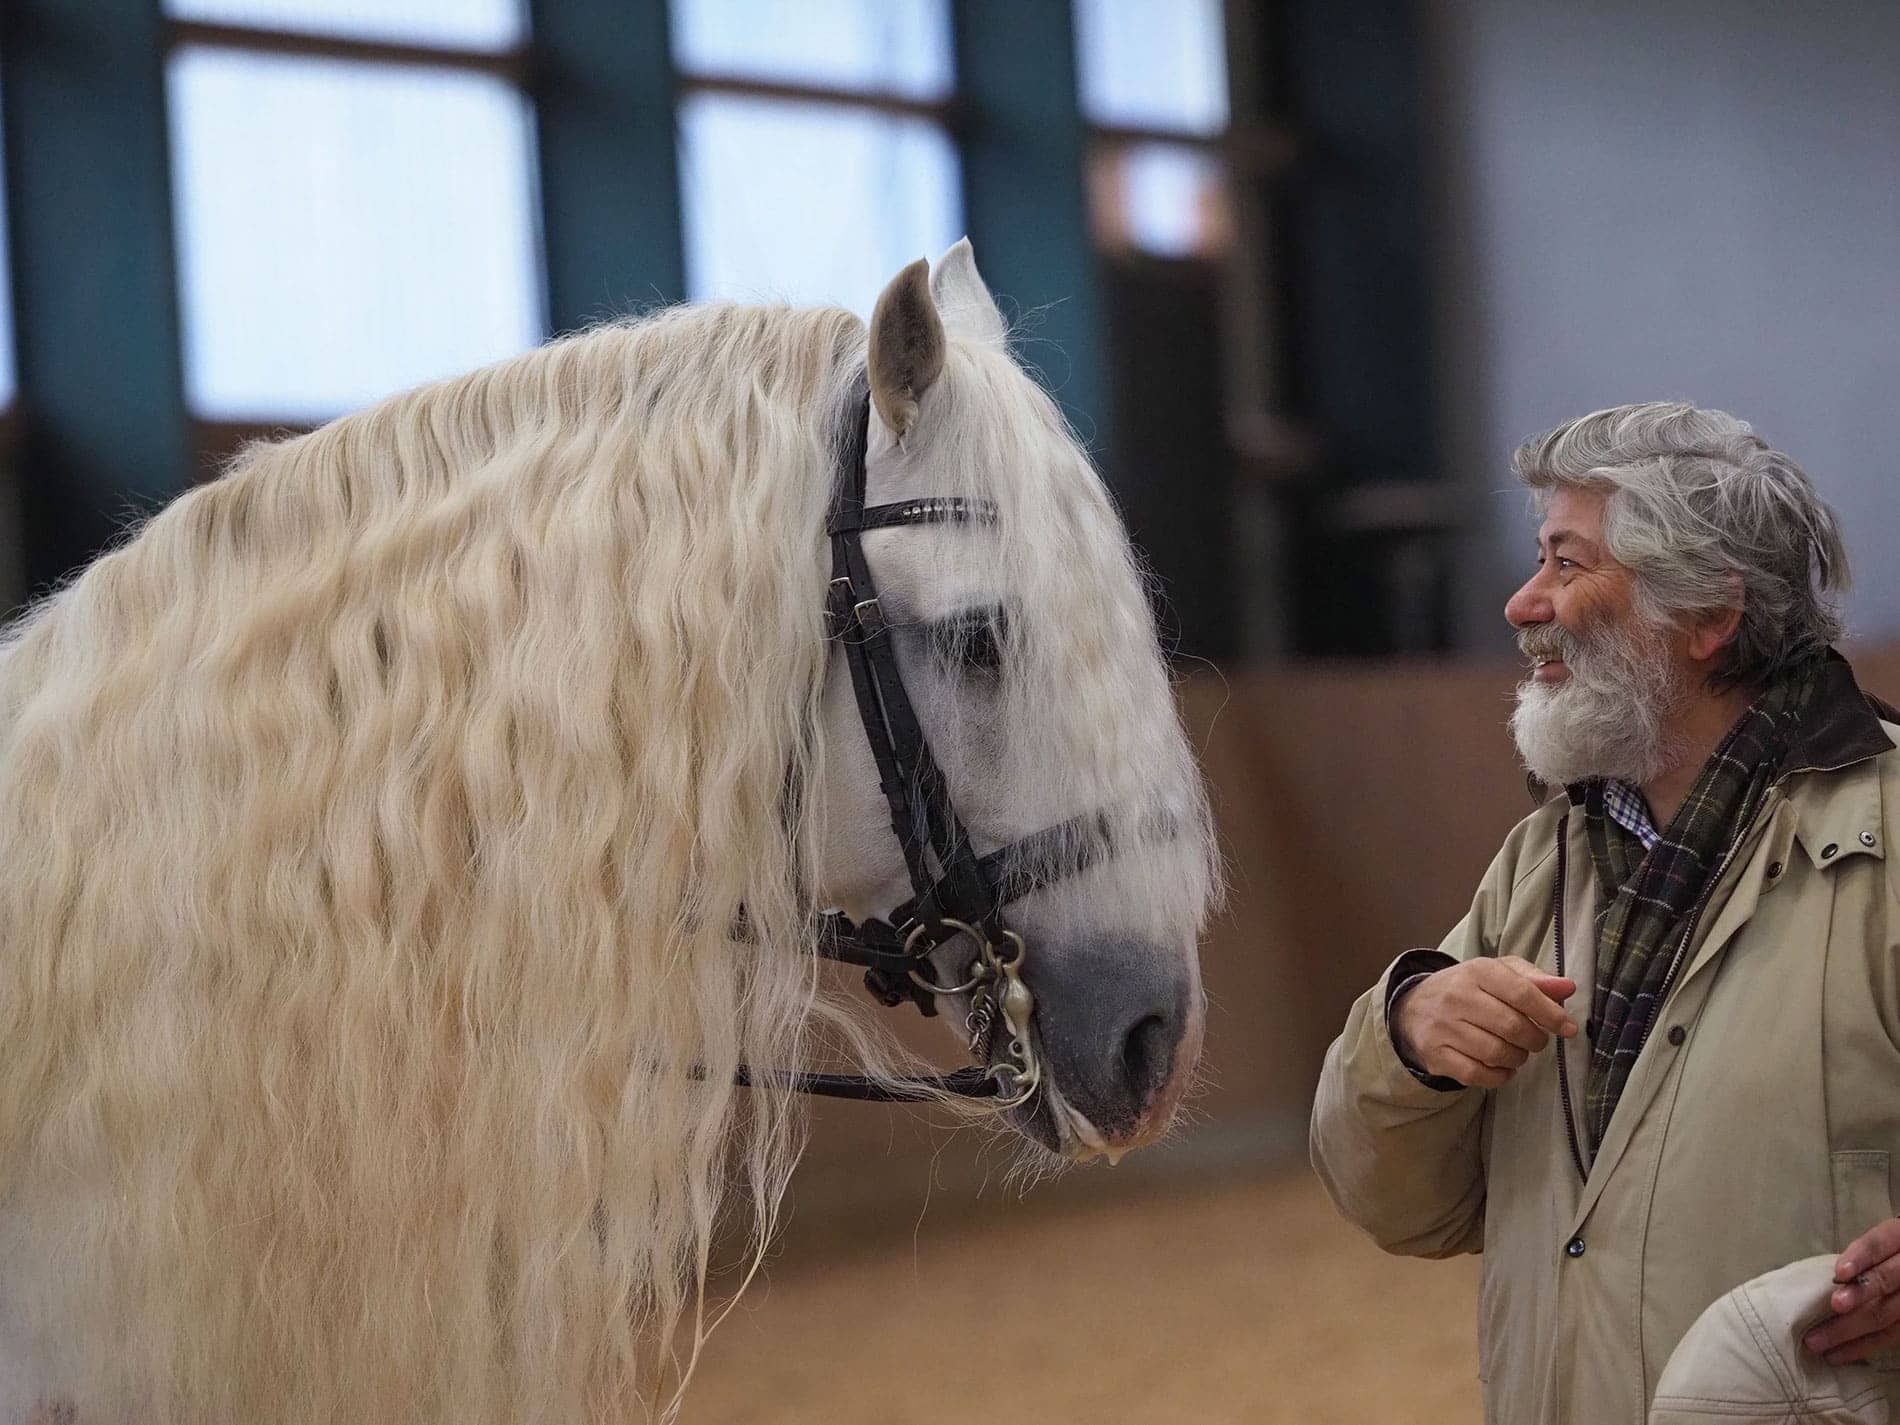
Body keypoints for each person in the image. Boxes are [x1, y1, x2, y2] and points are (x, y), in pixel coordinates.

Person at [1309, 401, 1900, 1425]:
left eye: (1566, 564)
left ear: (1709, 618)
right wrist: (1407, 1037)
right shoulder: (1541, 862)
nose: (1520, 603)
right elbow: (1400, 1206)